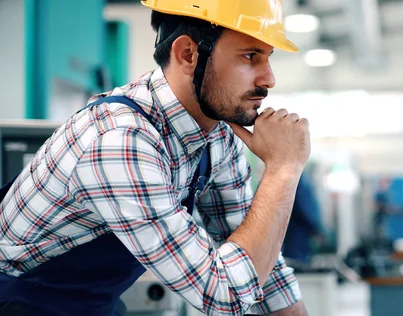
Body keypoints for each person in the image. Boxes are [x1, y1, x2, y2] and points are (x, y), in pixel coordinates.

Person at [0, 1, 310, 315]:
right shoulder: (120, 141)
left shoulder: (218, 136)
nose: (268, 79)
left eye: (268, 57)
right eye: (250, 56)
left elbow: (258, 255)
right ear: (188, 54)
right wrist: (283, 170)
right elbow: (224, 294)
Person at [282, 172, 325, 265]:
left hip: (294, 235)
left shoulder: (295, 175)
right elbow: (305, 207)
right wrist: (317, 229)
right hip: (296, 236)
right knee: (296, 264)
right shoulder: (297, 176)